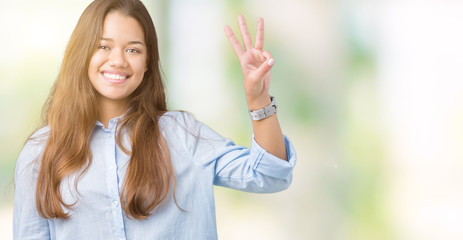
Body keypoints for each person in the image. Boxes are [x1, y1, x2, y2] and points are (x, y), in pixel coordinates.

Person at [13, 0, 296, 239]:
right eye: (103, 46)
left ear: (147, 62)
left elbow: (269, 176)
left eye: (133, 49)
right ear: (82, 53)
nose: (118, 60)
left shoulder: (181, 135)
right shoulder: (41, 152)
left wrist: (258, 99)